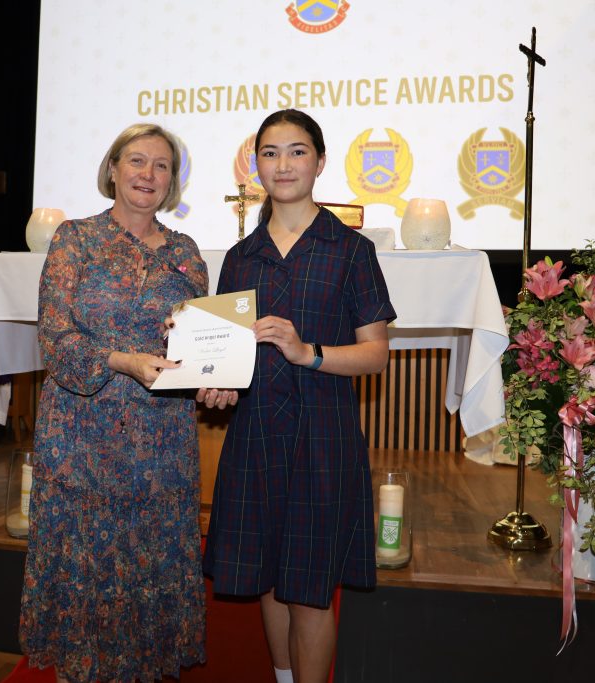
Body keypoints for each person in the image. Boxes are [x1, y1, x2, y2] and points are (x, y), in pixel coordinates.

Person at [19, 123, 230, 683]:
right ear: (113, 168)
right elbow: (55, 339)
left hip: (161, 442)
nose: (148, 174)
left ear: (172, 181)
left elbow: (197, 346)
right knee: (86, 570)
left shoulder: (186, 253)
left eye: (162, 166)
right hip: (81, 438)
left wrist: (216, 379)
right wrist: (122, 360)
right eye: (137, 161)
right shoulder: (75, 239)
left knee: (151, 564)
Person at [200, 109, 396, 683]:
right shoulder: (241, 257)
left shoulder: (351, 250)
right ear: (255, 165)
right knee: (268, 578)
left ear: (320, 161)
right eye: (270, 153)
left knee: (310, 590)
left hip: (323, 437)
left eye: (297, 151)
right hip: (255, 433)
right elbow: (228, 355)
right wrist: (212, 379)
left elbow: (376, 355)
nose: (282, 164)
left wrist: (307, 351)